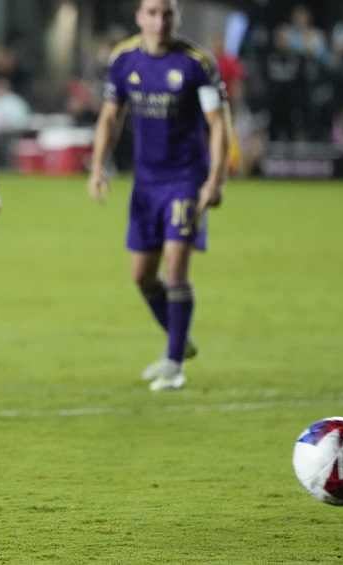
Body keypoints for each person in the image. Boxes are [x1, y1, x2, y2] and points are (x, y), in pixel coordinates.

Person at [88, 0, 230, 391]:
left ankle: (173, 364)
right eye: (152, 12)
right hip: (145, 184)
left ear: (177, 17)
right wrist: (98, 166)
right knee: (142, 276)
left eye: (167, 13)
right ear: (139, 17)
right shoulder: (124, 60)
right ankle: (179, 342)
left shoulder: (196, 63)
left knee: (176, 266)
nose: (160, 21)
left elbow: (218, 123)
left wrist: (215, 179)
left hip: (185, 180)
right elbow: (110, 116)